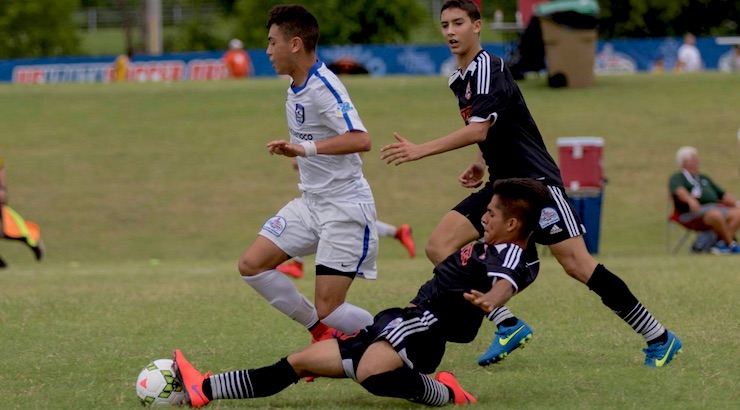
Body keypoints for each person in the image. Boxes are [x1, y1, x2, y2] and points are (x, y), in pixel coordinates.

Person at [380, 0, 682, 368]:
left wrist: (419, 150)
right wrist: (479, 161)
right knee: (439, 245)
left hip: (536, 184)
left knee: (577, 265)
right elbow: (495, 126)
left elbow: (478, 127)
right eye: (444, 25)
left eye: (458, 23)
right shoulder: (459, 78)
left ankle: (659, 336)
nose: (450, 32)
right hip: (501, 184)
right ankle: (506, 323)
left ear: (477, 27)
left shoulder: (489, 67)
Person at [174, 178, 551, 408]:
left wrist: (495, 302)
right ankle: (204, 388)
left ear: (512, 223)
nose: (483, 217)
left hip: (424, 329)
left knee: (371, 372)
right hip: (403, 320)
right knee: (300, 361)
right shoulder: (490, 244)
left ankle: (444, 393)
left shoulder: (510, 253)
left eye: (491, 214)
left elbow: (506, 281)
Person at [237, 4, 379, 350]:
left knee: (330, 308)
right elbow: (317, 137)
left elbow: (362, 139)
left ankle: (403, 336)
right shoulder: (295, 84)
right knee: (251, 265)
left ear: (295, 44)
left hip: (344, 208)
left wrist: (305, 150)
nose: (268, 51)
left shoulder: (324, 86)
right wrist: (301, 156)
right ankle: (320, 333)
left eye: (273, 43)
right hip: (311, 203)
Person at [277, 157, 416, 279]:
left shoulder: (346, 132)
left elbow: (357, 147)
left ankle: (297, 264)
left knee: (328, 221)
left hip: (337, 187)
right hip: (331, 185)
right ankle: (397, 232)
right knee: (334, 220)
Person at [669, 146, 740, 254]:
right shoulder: (678, 177)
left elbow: (722, 194)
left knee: (738, 213)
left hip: (714, 207)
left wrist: (735, 203)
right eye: (694, 160)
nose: (697, 162)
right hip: (691, 213)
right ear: (684, 162)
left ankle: (720, 244)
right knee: (715, 215)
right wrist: (690, 200)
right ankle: (731, 245)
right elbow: (679, 191)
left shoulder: (703, 178)